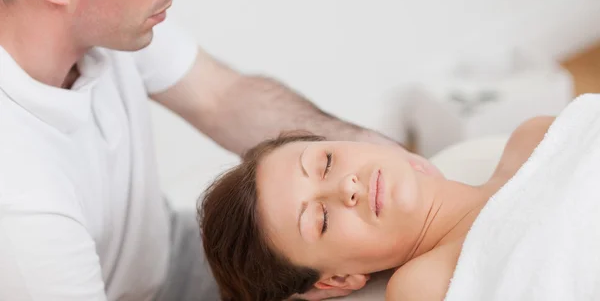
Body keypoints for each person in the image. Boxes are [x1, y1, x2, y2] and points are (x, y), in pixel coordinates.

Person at [0, 0, 414, 300]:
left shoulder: (105, 25)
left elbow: (223, 98)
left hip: (182, 262)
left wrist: (388, 158)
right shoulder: (20, 203)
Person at [199, 115, 556, 300]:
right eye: (321, 219)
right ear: (338, 280)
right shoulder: (423, 286)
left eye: (326, 163)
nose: (346, 187)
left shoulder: (535, 136)